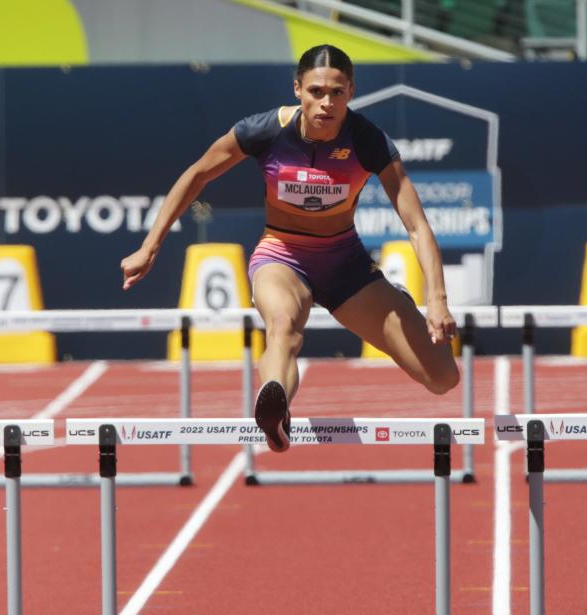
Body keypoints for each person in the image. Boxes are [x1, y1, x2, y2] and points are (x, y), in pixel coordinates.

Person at [121, 44, 459, 452]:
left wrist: (436, 299)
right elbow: (197, 175)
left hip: (345, 265)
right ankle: (275, 408)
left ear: (351, 91)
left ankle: (395, 303)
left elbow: (416, 225)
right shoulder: (264, 130)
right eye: (316, 91)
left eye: (336, 92)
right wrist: (150, 245)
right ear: (297, 89)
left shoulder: (368, 141)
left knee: (442, 378)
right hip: (282, 256)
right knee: (283, 327)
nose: (326, 103)